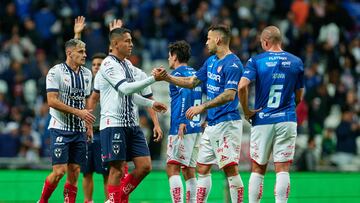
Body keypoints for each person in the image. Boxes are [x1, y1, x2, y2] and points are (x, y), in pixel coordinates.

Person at [74, 16, 164, 203]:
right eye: (127, 41)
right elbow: (124, 88)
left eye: (131, 41)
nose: (131, 44)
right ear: (115, 43)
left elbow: (130, 95)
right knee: (116, 169)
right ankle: (115, 200)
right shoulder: (107, 65)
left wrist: (150, 104)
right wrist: (153, 79)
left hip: (132, 124)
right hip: (113, 124)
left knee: (145, 166)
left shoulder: (129, 65)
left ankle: (113, 199)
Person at [154, 24, 245, 203]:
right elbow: (192, 82)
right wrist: (167, 78)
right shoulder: (210, 61)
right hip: (211, 124)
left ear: (218, 39)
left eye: (209, 38)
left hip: (228, 122)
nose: (206, 42)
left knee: (230, 169)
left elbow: (229, 94)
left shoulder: (233, 63)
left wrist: (202, 108)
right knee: (202, 168)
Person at [238, 25, 304, 203]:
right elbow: (299, 95)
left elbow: (242, 86)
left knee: (258, 168)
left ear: (265, 42)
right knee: (282, 168)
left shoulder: (256, 61)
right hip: (287, 119)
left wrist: (247, 111)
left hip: (263, 119)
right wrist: (288, 108)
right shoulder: (296, 62)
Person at [38, 38, 95, 203]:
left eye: (85, 51)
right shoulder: (55, 72)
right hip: (60, 127)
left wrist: (88, 124)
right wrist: (79, 113)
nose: (85, 55)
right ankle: (42, 201)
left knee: (75, 171)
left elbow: (84, 100)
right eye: (81, 52)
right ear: (69, 53)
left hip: (79, 130)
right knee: (59, 172)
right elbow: (52, 101)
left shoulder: (86, 74)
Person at [165, 40, 202, 203]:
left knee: (172, 168)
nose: (168, 60)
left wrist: (181, 121)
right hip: (196, 127)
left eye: (169, 56)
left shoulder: (178, 75)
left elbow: (186, 95)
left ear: (174, 57)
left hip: (183, 127)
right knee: (189, 170)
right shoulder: (195, 73)